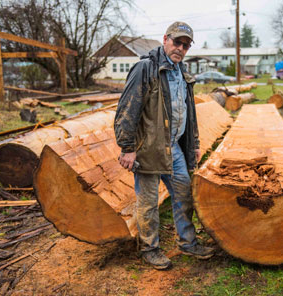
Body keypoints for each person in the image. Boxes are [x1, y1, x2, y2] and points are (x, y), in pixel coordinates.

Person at [114, 21, 214, 270]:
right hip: (148, 148)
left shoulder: (182, 72)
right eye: (176, 42)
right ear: (165, 39)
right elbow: (127, 109)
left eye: (185, 45)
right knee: (148, 203)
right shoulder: (146, 68)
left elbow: (188, 113)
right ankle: (149, 249)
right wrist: (127, 147)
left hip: (174, 148)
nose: (180, 48)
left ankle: (187, 242)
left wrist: (195, 144)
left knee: (183, 193)